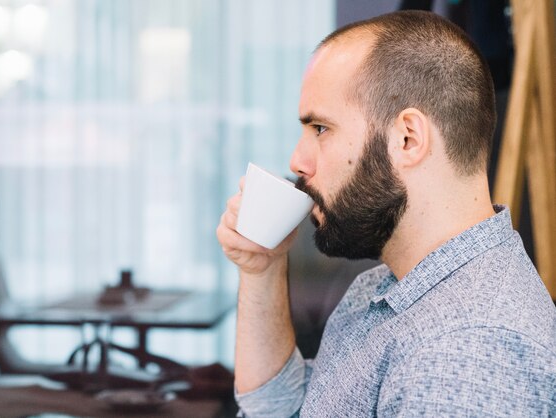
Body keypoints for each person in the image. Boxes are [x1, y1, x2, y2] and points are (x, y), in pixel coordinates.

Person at [216, 10, 556, 417]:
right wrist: (262, 269)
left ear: (408, 139)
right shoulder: (387, 285)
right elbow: (281, 409)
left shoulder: (466, 354)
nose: (298, 161)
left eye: (320, 129)